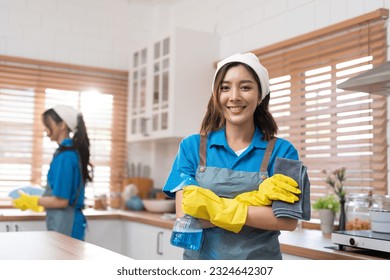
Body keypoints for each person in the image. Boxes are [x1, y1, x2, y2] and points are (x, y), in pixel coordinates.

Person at [163, 52, 302, 259]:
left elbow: (287, 220)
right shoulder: (191, 147)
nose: (234, 96)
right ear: (217, 96)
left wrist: (214, 207)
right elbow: (186, 216)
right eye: (225, 87)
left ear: (260, 95)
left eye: (245, 87)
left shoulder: (283, 151)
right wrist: (257, 207)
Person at [13, 105, 93, 240]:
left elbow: (61, 201)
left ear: (62, 125)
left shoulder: (66, 156)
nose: (45, 129)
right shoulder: (65, 153)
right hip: (65, 222)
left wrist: (33, 201)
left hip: (67, 224)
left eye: (48, 124)